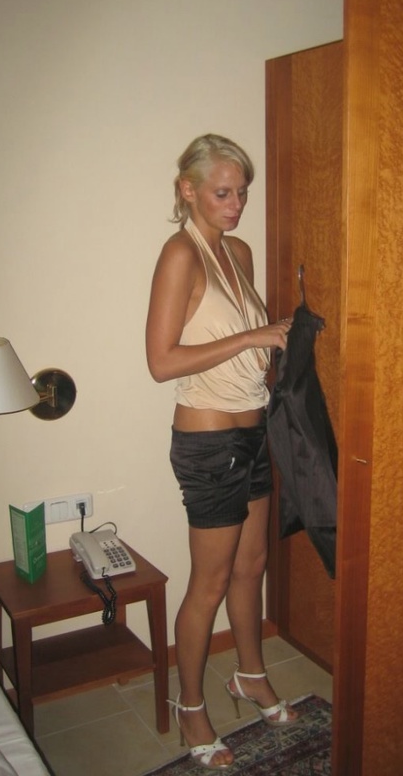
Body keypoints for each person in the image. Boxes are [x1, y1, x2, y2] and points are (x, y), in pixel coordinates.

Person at [145, 133, 297, 770]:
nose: (237, 205)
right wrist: (253, 338)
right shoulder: (181, 254)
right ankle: (190, 705)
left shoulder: (239, 252)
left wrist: (276, 349)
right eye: (223, 192)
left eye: (242, 192)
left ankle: (249, 675)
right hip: (208, 441)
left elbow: (246, 344)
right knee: (208, 582)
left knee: (251, 564)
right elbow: (161, 362)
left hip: (253, 430)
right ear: (189, 190)